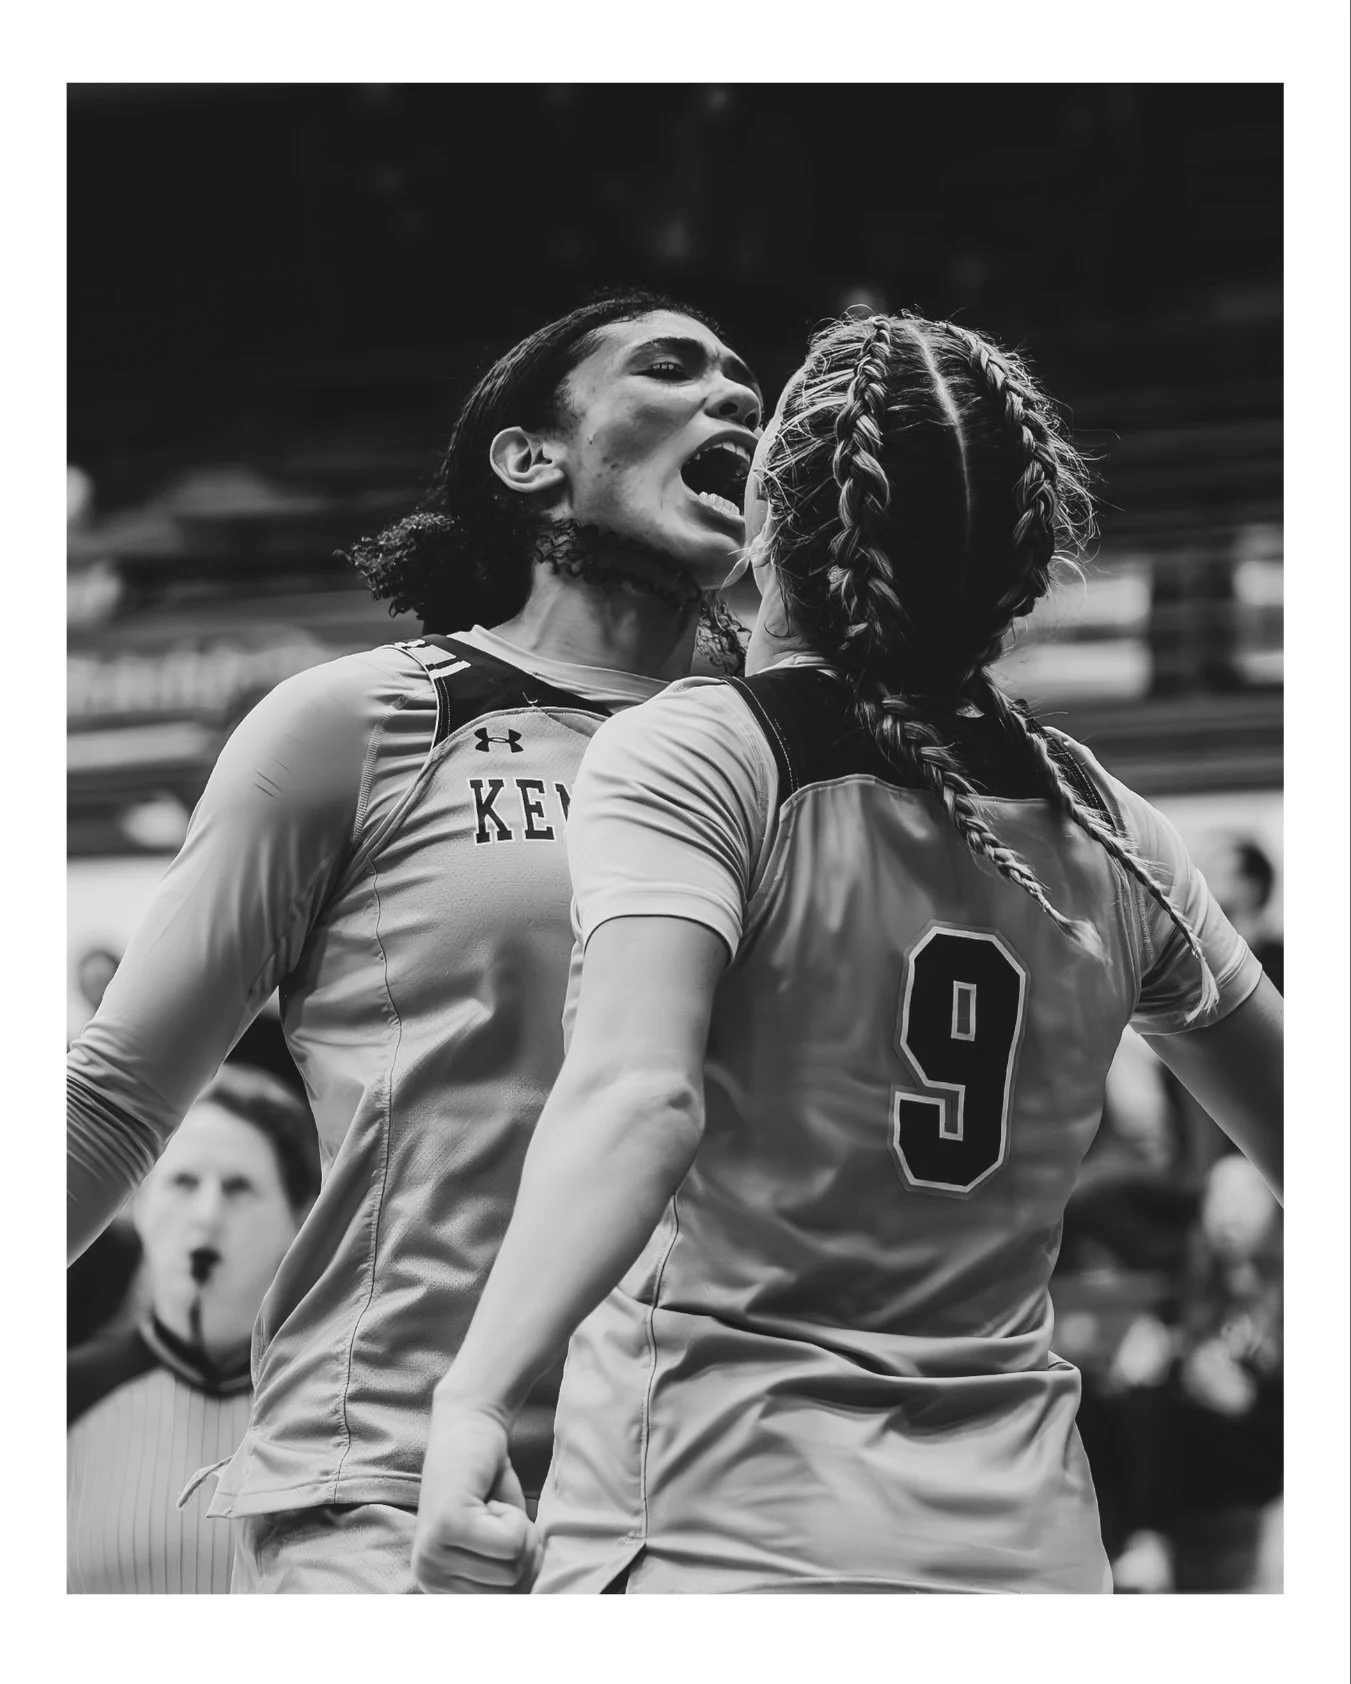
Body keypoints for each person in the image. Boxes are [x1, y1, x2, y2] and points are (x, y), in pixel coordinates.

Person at [411, 309, 1283, 1595]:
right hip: (1030, 1561)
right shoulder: (1112, 827)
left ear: (766, 509)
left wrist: (476, 1394)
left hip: (723, 1537)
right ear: (1026, 564)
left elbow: (639, 1094)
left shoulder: (702, 752)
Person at [66, 291, 762, 1592]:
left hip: (722, 1502)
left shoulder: (784, 762)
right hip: (389, 1486)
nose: (733, 397)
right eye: (671, 367)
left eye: (745, 385)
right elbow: (109, 1103)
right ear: (526, 457)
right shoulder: (359, 722)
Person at [68, 1066, 319, 1592]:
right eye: (184, 1182)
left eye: (239, 1188)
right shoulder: (58, 1398)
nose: (206, 1217)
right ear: (136, 1204)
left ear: (299, 1218)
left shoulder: (340, 1409)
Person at [1110, 1152, 1283, 1593]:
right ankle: (1147, 1538)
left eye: (1248, 1192)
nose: (1231, 1209)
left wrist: (1247, 1404)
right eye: (1218, 1194)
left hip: (1268, 1495)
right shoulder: (1183, 1296)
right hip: (1192, 1497)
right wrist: (1142, 1373)